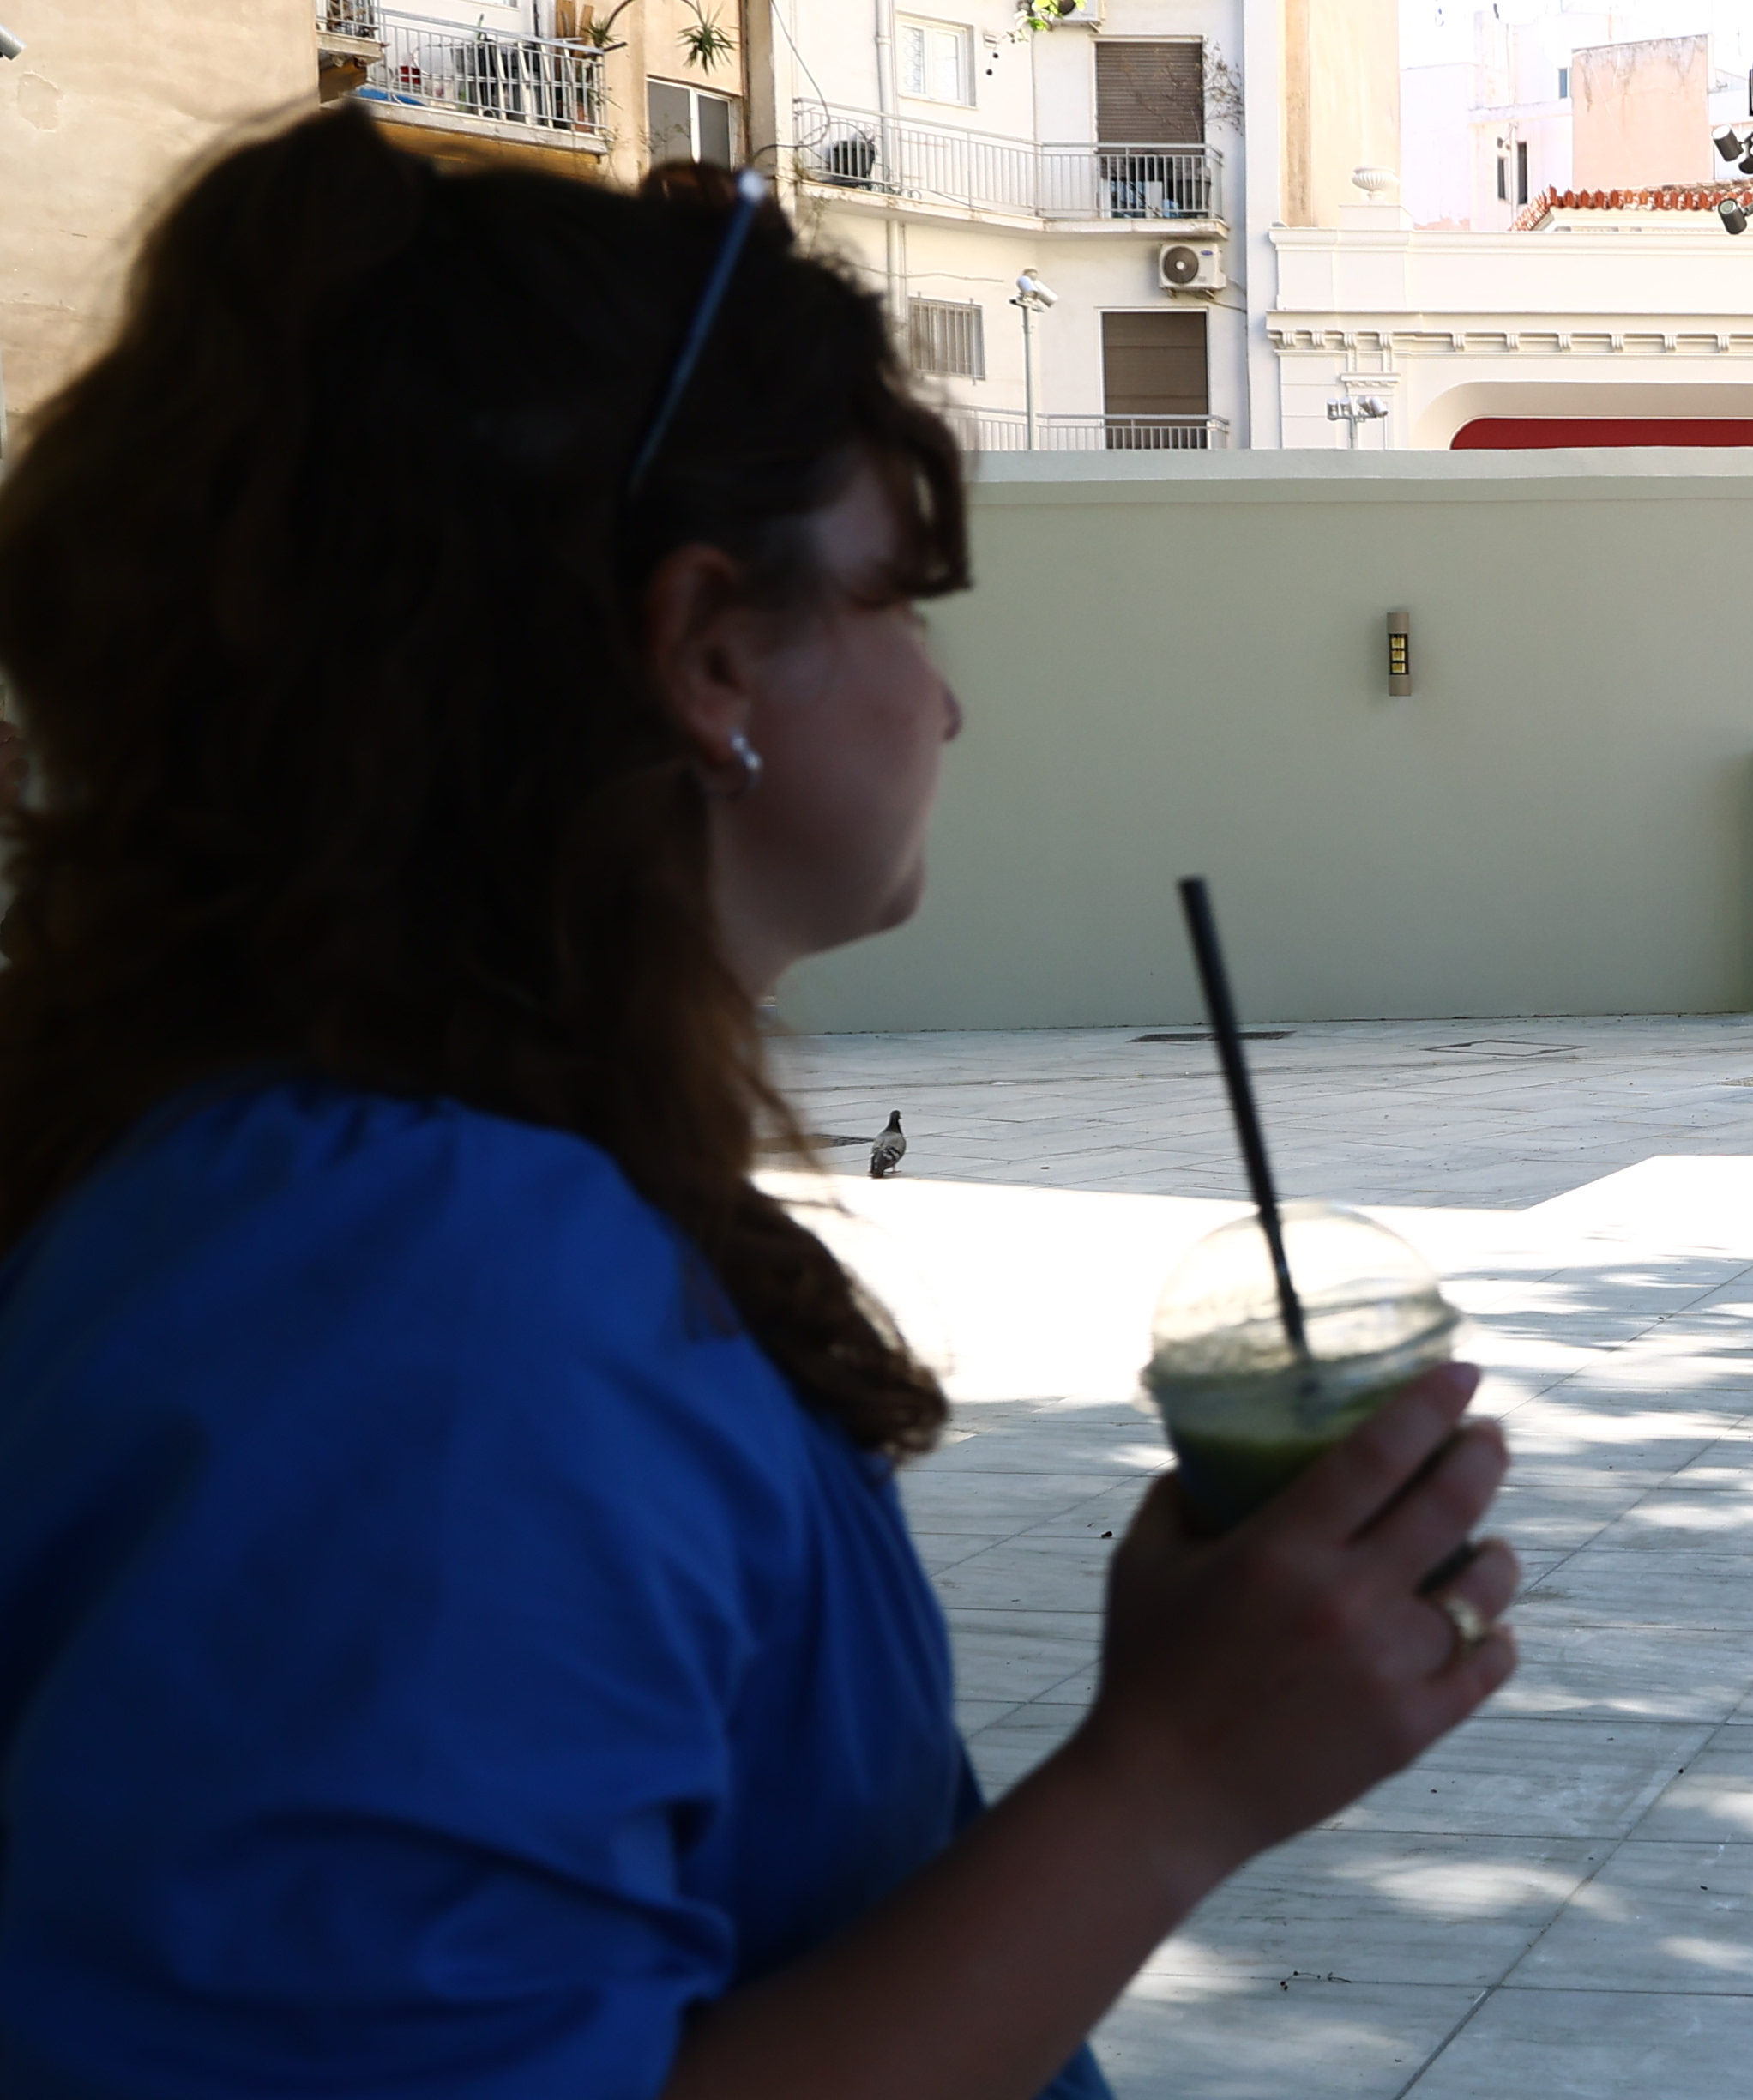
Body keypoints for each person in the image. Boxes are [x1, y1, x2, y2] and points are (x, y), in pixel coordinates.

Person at [0, 107, 1521, 2099]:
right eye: (900, 599)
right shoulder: (438, 1299)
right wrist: (1166, 1786)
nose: (943, 701)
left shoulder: (340, 1196)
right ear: (710, 651)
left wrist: (1182, 1720)